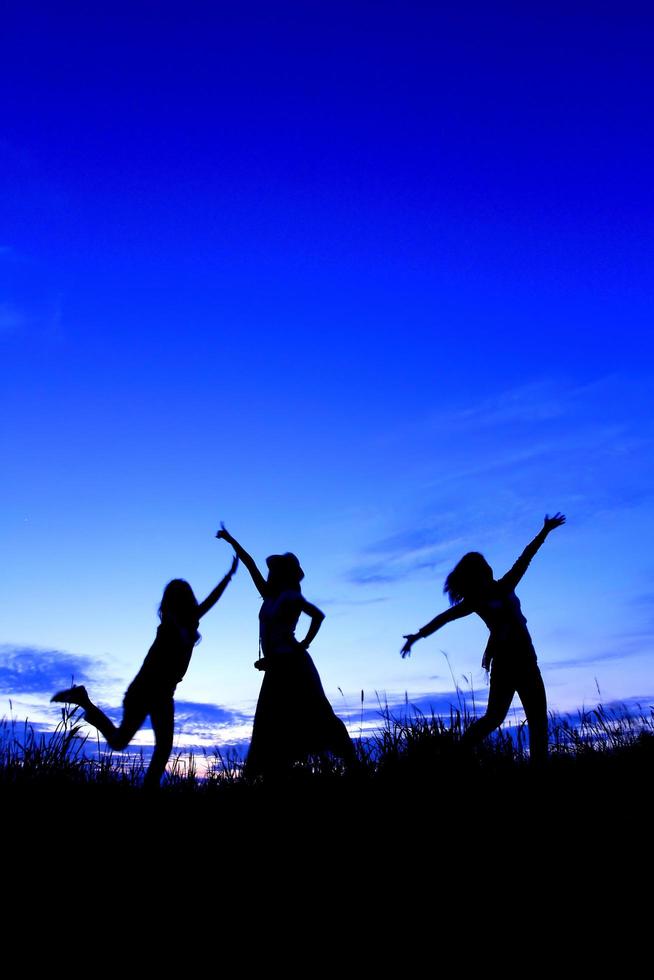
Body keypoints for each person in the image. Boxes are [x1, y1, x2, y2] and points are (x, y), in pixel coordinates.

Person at [51, 549, 239, 788]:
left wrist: (229, 576)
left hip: (162, 693)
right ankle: (84, 701)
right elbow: (181, 615)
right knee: (145, 745)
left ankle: (84, 700)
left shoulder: (189, 621)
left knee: (131, 743)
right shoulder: (169, 625)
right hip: (145, 690)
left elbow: (211, 600)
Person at [400, 514, 566, 764]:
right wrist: (417, 636)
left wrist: (545, 531)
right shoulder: (477, 600)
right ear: (478, 575)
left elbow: (526, 557)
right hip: (509, 665)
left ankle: (535, 766)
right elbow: (444, 617)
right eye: (483, 567)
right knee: (496, 718)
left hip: (526, 662)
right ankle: (453, 756)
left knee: (536, 721)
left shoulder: (505, 585)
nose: (488, 568)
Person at [216, 524, 355, 777]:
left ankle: (353, 764)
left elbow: (318, 616)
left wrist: (303, 644)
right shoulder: (269, 595)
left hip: (293, 665)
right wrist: (230, 539)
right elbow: (249, 564)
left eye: (275, 570)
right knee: (276, 722)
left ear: (284, 574)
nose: (269, 573)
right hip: (278, 665)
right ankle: (278, 775)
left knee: (313, 715)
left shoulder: (290, 596)